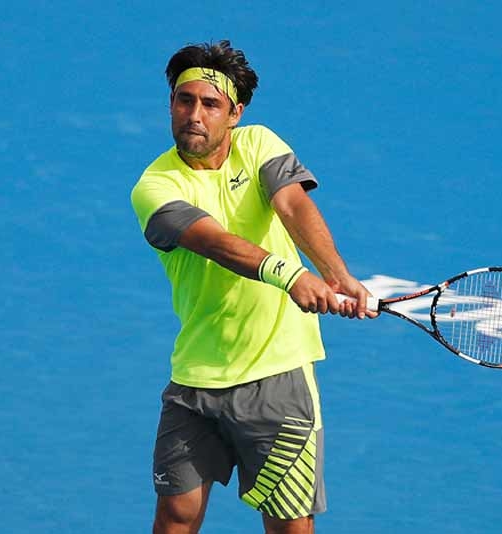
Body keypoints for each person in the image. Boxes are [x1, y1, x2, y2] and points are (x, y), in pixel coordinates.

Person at [130, 40, 377, 534]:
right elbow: (216, 243)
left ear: (235, 113)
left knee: (288, 526)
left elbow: (292, 204)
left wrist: (335, 273)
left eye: (210, 104)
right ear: (171, 104)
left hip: (277, 377)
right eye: (184, 101)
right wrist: (292, 276)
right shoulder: (154, 187)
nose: (194, 115)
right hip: (195, 379)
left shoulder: (260, 143)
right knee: (175, 516)